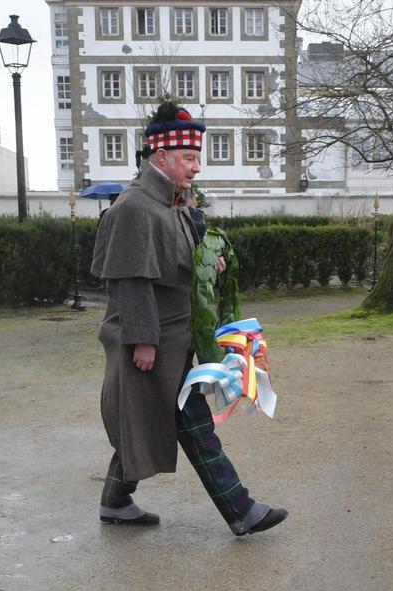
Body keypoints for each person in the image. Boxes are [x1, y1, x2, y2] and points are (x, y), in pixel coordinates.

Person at [90, 101, 287, 535]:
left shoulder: (172, 203)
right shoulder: (135, 207)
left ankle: (115, 500)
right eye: (189, 158)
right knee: (190, 423)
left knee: (146, 421)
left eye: (197, 158)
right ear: (161, 157)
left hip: (174, 337)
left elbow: (174, 262)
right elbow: (128, 280)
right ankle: (241, 510)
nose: (196, 167)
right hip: (151, 341)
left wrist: (205, 264)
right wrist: (142, 340)